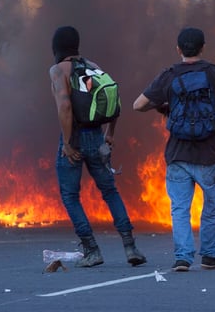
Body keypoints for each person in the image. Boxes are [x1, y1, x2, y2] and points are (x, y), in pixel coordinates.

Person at [133, 27, 215, 272]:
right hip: (209, 153)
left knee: (179, 208)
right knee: (210, 205)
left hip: (178, 154)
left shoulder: (168, 76)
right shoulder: (213, 73)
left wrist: (165, 105)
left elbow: (138, 105)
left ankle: (183, 258)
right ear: (203, 48)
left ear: (178, 49)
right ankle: (209, 255)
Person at [49, 26, 146, 268]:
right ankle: (130, 246)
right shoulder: (92, 66)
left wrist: (69, 143)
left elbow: (65, 107)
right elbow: (113, 97)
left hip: (76, 137)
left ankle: (92, 251)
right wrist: (110, 133)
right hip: (97, 136)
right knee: (110, 192)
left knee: (70, 196)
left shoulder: (58, 70)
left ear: (56, 47)